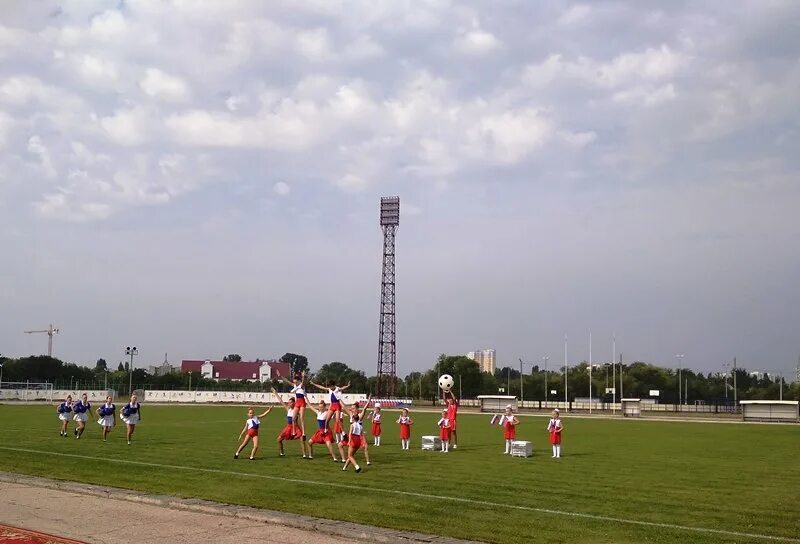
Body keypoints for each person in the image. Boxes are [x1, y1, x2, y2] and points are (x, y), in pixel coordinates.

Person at [272, 388, 307, 458]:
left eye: (290, 402)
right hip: (288, 427)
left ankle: (304, 455)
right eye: (288, 402)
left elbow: (302, 416)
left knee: (302, 439)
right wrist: (275, 393)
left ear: (294, 403)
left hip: (295, 427)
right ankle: (282, 453)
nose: (289, 403)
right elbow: (281, 401)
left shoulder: (297, 410)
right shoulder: (288, 409)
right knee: (279, 440)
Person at [277, 371, 307, 439]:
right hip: (297, 402)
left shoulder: (301, 386)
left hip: (302, 402)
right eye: (294, 382)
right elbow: (287, 381)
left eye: (296, 382)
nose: (295, 383)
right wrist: (280, 376)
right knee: (293, 418)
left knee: (301, 417)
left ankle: (304, 433)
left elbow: (303, 382)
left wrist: (303, 376)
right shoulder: (295, 386)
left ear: (298, 381)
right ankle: (293, 432)